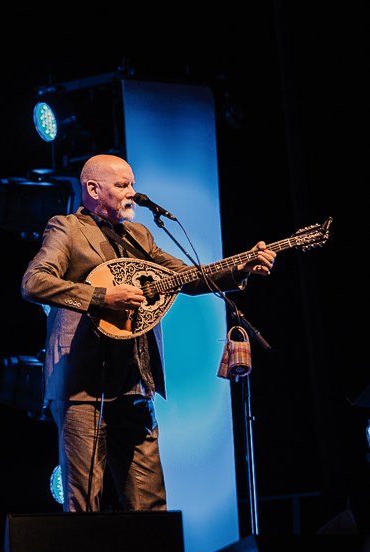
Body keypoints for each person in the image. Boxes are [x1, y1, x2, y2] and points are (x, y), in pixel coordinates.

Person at [20, 154, 276, 513]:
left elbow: (187, 277)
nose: (133, 192)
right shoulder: (66, 229)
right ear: (93, 189)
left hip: (136, 382)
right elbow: (34, 282)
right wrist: (101, 297)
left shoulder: (140, 235)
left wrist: (240, 268)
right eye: (122, 185)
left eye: (133, 184)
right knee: (85, 504)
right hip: (82, 384)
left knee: (150, 505)